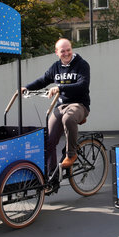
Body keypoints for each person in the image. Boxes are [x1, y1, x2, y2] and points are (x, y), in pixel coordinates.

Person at [23, 38, 90, 175]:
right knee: (49, 140)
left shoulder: (82, 65)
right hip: (60, 106)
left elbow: (82, 85)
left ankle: (71, 154)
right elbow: (43, 80)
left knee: (68, 119)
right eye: (62, 51)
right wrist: (26, 88)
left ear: (72, 49)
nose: (66, 53)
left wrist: (59, 87)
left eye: (68, 50)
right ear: (56, 53)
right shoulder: (56, 67)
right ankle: (51, 174)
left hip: (79, 105)